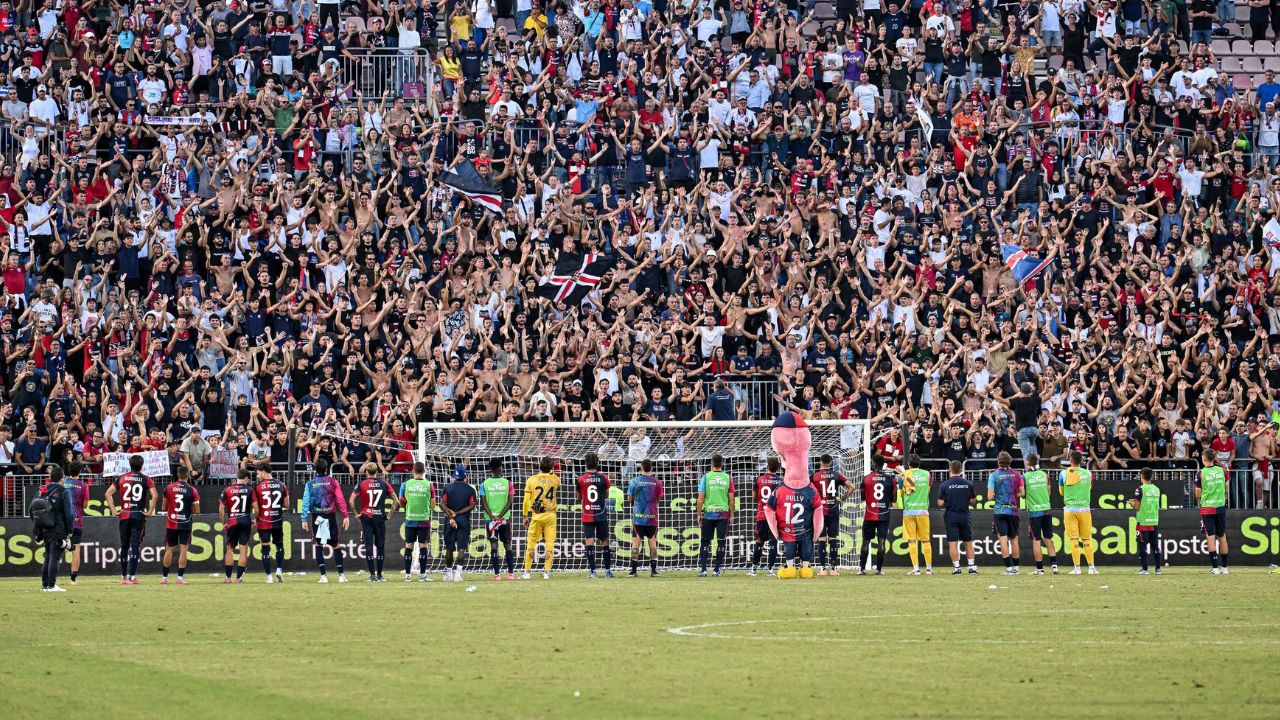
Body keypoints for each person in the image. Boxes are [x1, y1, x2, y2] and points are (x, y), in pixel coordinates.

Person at [103, 455, 157, 585]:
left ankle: (123, 576)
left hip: (124, 515)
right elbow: (155, 495)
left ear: (130, 465)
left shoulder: (122, 477)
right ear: (142, 465)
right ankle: (132, 577)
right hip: (138, 515)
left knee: (124, 546)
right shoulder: (146, 479)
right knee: (135, 545)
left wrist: (114, 510)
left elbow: (107, 493)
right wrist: (150, 511)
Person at [349, 463, 401, 582]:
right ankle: (380, 575)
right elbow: (396, 501)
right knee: (380, 546)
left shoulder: (362, 484)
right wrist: (389, 516)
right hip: (379, 518)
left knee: (369, 546)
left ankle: (372, 575)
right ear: (377, 472)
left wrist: (356, 513)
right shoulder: (384, 483)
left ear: (366, 472)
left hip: (366, 517)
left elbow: (351, 501)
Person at [300, 459, 351, 583]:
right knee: (336, 545)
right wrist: (345, 515)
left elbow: (305, 501)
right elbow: (340, 499)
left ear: (315, 470)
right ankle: (341, 576)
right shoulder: (333, 482)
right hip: (330, 517)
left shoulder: (310, 484)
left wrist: (304, 518)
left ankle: (323, 576)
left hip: (317, 518)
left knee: (319, 545)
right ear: (327, 469)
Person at [768, 469, 824, 579]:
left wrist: (775, 530)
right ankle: (806, 571)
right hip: (805, 528)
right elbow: (818, 508)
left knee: (789, 550)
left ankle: (790, 570)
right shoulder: (810, 489)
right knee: (806, 550)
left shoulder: (779, 489)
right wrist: (817, 532)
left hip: (788, 530)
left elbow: (769, 507)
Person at [811, 453, 854, 575]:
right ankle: (834, 569)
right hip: (833, 509)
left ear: (820, 462)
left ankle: (823, 569)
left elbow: (807, 490)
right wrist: (842, 499)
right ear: (831, 463)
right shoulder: (837, 475)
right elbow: (852, 487)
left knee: (822, 539)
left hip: (820, 510)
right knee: (833, 538)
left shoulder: (814, 476)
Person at [1059, 451, 1098, 575]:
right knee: (1087, 539)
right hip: (1084, 510)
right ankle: (1091, 567)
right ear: (1081, 461)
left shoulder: (1063, 473)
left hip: (1070, 510)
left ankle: (1077, 568)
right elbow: (1089, 488)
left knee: (1074, 539)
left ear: (1070, 460)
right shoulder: (1089, 473)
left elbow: (1061, 492)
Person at [160, 466, 201, 585]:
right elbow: (197, 511)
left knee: (169, 549)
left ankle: (164, 578)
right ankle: (179, 578)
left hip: (171, 523)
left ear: (177, 474)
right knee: (184, 550)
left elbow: (163, 507)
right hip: (185, 523)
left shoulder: (169, 488)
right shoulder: (192, 490)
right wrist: (188, 509)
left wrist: (172, 509)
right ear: (188, 475)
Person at [37, 464, 74, 592]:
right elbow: (69, 514)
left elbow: (32, 509)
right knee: (55, 558)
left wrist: (39, 526)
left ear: (50, 477)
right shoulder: (64, 491)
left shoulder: (42, 490)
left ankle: (45, 586)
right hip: (58, 529)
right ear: (62, 479)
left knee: (48, 557)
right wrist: (70, 530)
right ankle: (51, 586)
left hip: (45, 529)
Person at [696, 453, 735, 577]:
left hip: (708, 514)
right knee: (721, 542)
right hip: (723, 514)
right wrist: (732, 515)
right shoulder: (728, 478)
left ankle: (703, 570)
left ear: (711, 463)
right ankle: (716, 570)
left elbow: (700, 498)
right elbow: (731, 499)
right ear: (722, 464)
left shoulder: (706, 477)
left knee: (705, 541)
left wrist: (698, 514)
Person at [576, 452, 614, 578]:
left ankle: (593, 572)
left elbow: (578, 497)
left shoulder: (581, 479)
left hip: (587, 514)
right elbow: (607, 494)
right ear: (597, 463)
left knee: (589, 542)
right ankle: (608, 571)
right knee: (604, 541)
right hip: (601, 513)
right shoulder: (604, 477)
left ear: (585, 463)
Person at [398, 462, 438, 582]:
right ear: (424, 471)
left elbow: (401, 502)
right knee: (423, 546)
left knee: (409, 546)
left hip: (410, 520)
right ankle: (423, 575)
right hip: (423, 521)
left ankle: (408, 575)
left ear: (413, 471)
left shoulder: (405, 485)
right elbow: (433, 505)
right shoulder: (429, 485)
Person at [938, 460, 978, 574]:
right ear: (961, 470)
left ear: (950, 470)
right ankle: (971, 567)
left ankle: (957, 568)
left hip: (951, 516)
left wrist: (949, 499)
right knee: (968, 542)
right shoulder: (968, 484)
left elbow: (940, 503)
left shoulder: (944, 485)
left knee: (953, 543)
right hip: (964, 515)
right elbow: (973, 500)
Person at [479, 458, 516, 581]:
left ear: (490, 469)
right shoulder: (508, 483)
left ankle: (497, 575)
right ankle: (510, 574)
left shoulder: (484, 484)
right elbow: (510, 502)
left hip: (491, 521)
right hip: (504, 519)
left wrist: (492, 517)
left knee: (494, 545)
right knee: (508, 544)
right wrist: (500, 516)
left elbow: (483, 503)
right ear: (500, 468)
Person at [523, 457, 560, 580]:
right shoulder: (555, 479)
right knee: (549, 543)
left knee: (531, 542)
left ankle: (527, 572)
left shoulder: (531, 480)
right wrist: (551, 472)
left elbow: (526, 501)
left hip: (537, 515)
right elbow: (556, 483)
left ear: (539, 466)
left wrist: (524, 516)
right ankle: (546, 573)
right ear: (551, 468)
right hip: (550, 515)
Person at [987, 452, 1024, 575]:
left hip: (999, 511)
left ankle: (1008, 569)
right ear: (1010, 461)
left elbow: (989, 496)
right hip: (1013, 511)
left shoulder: (993, 475)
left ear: (998, 462)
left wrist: (998, 496)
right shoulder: (1017, 474)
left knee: (1003, 540)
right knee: (1014, 540)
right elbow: (1022, 493)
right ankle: (1016, 568)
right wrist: (1011, 495)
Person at [1022, 455, 1059, 575]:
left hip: (1034, 512)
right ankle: (1054, 566)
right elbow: (1048, 492)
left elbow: (1022, 494)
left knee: (1036, 540)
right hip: (1047, 509)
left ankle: (1039, 569)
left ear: (1027, 463)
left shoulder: (1025, 476)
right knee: (1048, 538)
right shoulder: (1044, 474)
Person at [859, 459, 897, 575]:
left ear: (874, 464)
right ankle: (879, 570)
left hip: (869, 514)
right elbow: (894, 499)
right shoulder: (890, 479)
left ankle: (862, 570)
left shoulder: (866, 478)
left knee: (866, 541)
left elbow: (862, 497)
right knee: (881, 542)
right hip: (884, 515)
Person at [253, 467, 291, 583]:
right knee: (279, 545)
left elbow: (256, 508)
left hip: (263, 522)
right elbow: (286, 505)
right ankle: (279, 569)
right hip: (277, 521)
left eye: (258, 474)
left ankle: (269, 576)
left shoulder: (258, 487)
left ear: (263, 472)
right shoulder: (282, 485)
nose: (258, 476)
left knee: (265, 548)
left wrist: (255, 518)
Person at [626, 458, 663, 577]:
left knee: (635, 544)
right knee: (652, 543)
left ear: (641, 468)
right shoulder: (657, 482)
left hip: (638, 517)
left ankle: (633, 571)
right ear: (651, 468)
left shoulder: (634, 481)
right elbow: (659, 499)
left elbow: (629, 499)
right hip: (652, 517)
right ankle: (654, 571)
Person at [1196, 449, 1230, 575]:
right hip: (1220, 506)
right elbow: (1227, 486)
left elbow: (1198, 493)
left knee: (1210, 537)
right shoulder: (1222, 470)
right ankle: (1225, 568)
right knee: (1222, 536)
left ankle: (1215, 568)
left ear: (1204, 459)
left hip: (1207, 508)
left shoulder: (1200, 473)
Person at [898, 454, 933, 575]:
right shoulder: (927, 474)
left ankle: (916, 569)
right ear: (920, 463)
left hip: (909, 511)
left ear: (908, 464)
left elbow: (901, 493)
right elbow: (929, 489)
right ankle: (929, 569)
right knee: (926, 540)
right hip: (922, 510)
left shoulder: (903, 475)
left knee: (912, 541)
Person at [55, 462, 89, 585]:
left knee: (56, 549)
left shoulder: (63, 483)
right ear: (80, 472)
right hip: (76, 521)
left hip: (61, 522)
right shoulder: (84, 486)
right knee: (76, 551)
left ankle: (52, 578)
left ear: (69, 471)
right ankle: (73, 579)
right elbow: (85, 505)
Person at [442, 465, 477, 582]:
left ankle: (448, 574)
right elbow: (472, 505)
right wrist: (458, 513)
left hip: (450, 520)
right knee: (461, 548)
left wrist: (451, 515)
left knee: (449, 548)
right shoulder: (470, 489)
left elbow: (442, 503)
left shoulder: (447, 488)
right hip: (463, 520)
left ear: (454, 477)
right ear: (465, 477)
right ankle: (458, 574)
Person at [219, 469, 255, 583]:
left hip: (232, 521)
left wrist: (223, 522)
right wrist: (255, 519)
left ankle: (228, 578)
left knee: (230, 549)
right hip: (245, 521)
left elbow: (221, 509)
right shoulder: (250, 490)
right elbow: (256, 507)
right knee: (243, 549)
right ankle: (239, 578)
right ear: (246, 478)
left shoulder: (227, 490)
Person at [749, 457, 783, 576]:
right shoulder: (781, 482)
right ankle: (770, 570)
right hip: (775, 517)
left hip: (762, 515)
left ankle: (753, 569)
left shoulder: (759, 479)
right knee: (773, 542)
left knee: (759, 541)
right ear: (778, 468)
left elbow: (754, 497)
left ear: (767, 466)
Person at [1130, 467, 1163, 575]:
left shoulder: (1140, 489)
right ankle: (1158, 569)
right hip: (1154, 520)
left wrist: (1132, 504)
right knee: (1155, 546)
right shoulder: (1157, 489)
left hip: (1143, 521)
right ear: (1151, 476)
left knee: (1142, 545)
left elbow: (1137, 507)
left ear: (1142, 476)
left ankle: (1144, 569)